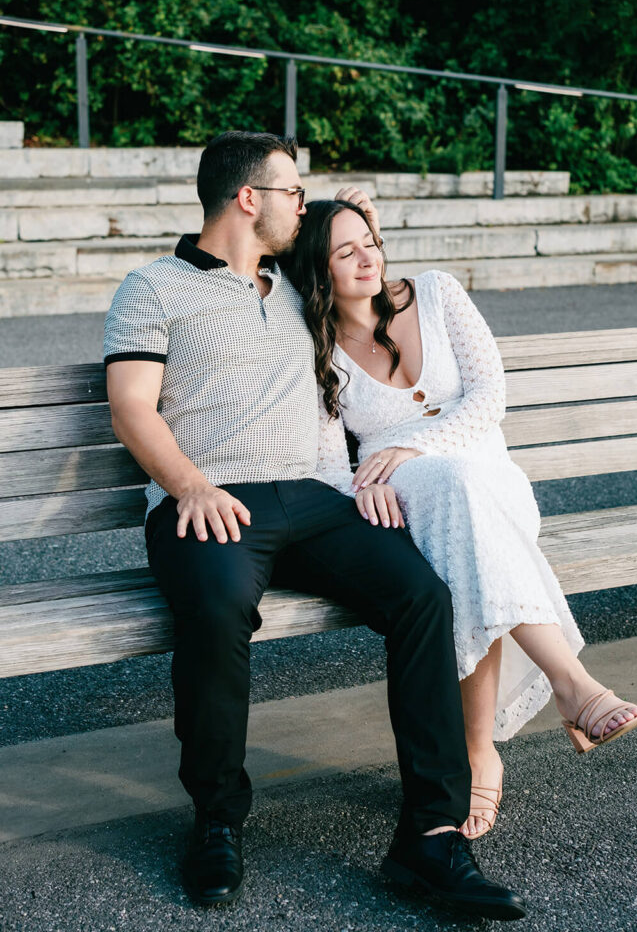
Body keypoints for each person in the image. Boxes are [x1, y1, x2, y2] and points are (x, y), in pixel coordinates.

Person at [103, 130, 526, 920]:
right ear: (247, 198)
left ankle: (430, 837)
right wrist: (189, 486)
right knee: (219, 608)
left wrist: (358, 217)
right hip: (212, 501)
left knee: (420, 597)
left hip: (312, 499)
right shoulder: (152, 288)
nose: (302, 202)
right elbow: (131, 406)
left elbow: (360, 266)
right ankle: (218, 819)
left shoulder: (292, 287)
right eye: (292, 191)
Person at [288, 193, 637, 841]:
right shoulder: (316, 347)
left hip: (488, 482)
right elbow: (323, 454)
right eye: (345, 251)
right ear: (318, 271)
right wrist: (357, 488)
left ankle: (482, 748)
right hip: (401, 493)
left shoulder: (435, 292)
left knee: (465, 522)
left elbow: (490, 396)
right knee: (456, 521)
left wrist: (413, 445)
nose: (366, 257)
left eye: (368, 240)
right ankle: (573, 688)